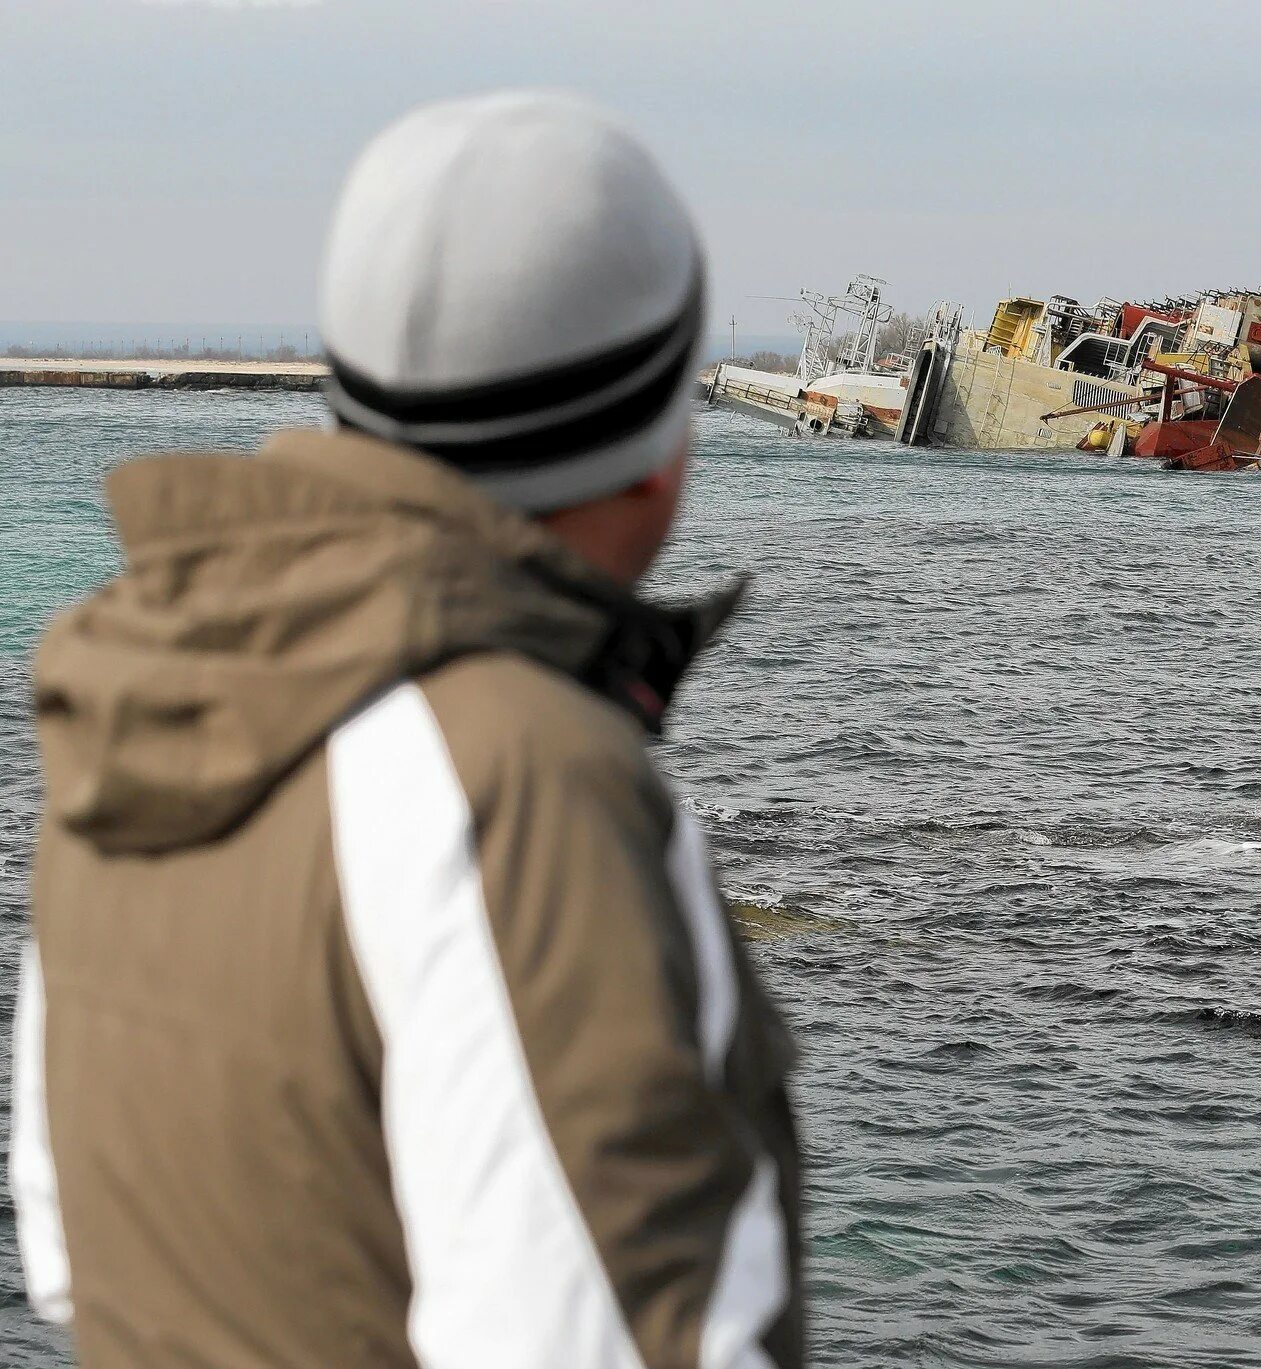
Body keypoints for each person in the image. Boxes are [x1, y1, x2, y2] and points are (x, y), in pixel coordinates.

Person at [9, 91, 802, 1367]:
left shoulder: (138, 697)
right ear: (664, 443)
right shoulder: (524, 780)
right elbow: (622, 1339)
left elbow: (68, 1252)